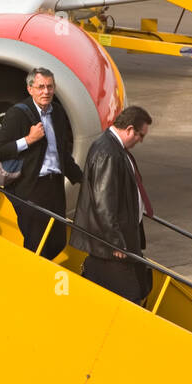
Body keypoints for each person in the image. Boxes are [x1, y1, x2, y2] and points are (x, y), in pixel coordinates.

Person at [0, 68, 83, 259]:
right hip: (30, 187)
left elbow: (62, 153)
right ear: (30, 89)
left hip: (54, 185)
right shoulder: (18, 114)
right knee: (36, 244)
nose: (46, 92)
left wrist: (82, 179)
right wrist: (28, 139)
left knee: (58, 241)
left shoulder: (57, 113)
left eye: (49, 87)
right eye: (40, 87)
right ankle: (31, 282)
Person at [71, 107, 154, 305]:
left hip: (113, 243)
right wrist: (115, 241)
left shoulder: (113, 148)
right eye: (140, 135)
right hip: (112, 246)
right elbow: (104, 203)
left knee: (134, 287)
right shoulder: (108, 153)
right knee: (131, 297)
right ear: (130, 129)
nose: (140, 141)